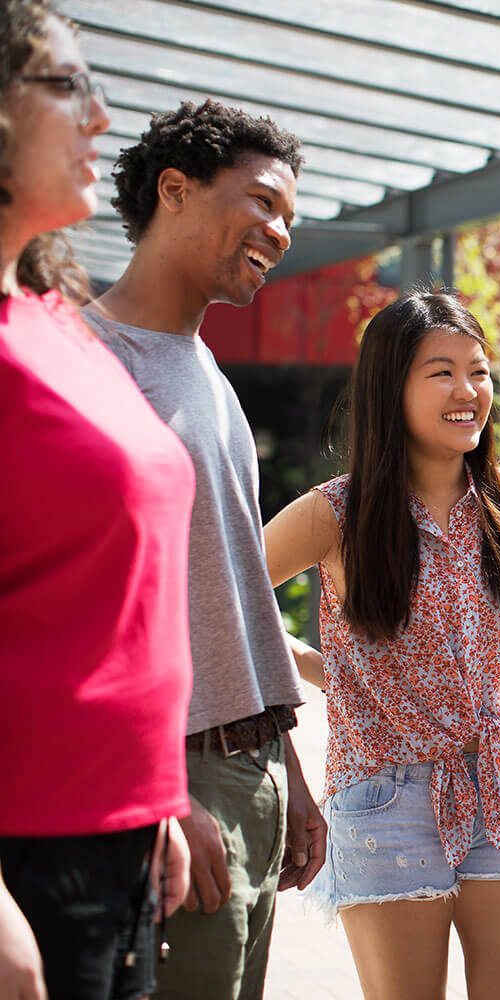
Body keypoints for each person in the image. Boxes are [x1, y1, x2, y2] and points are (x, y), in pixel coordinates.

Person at [262, 287, 500, 999]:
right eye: (441, 372)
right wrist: (316, 669)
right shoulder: (335, 511)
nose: (468, 390)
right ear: (390, 386)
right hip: (386, 799)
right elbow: (224, 597)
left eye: (479, 370)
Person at [80, 99, 325, 999]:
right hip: (174, 783)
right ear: (174, 191)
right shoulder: (86, 361)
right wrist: (158, 793)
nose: (281, 231)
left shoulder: (206, 371)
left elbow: (229, 600)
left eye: (290, 216)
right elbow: (75, 617)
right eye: (263, 202)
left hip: (248, 771)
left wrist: (288, 771)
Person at [0, 2, 191, 997]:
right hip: (21, 857)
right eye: (67, 84)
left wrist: (148, 799)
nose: (102, 116)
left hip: (108, 835)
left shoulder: (51, 320)